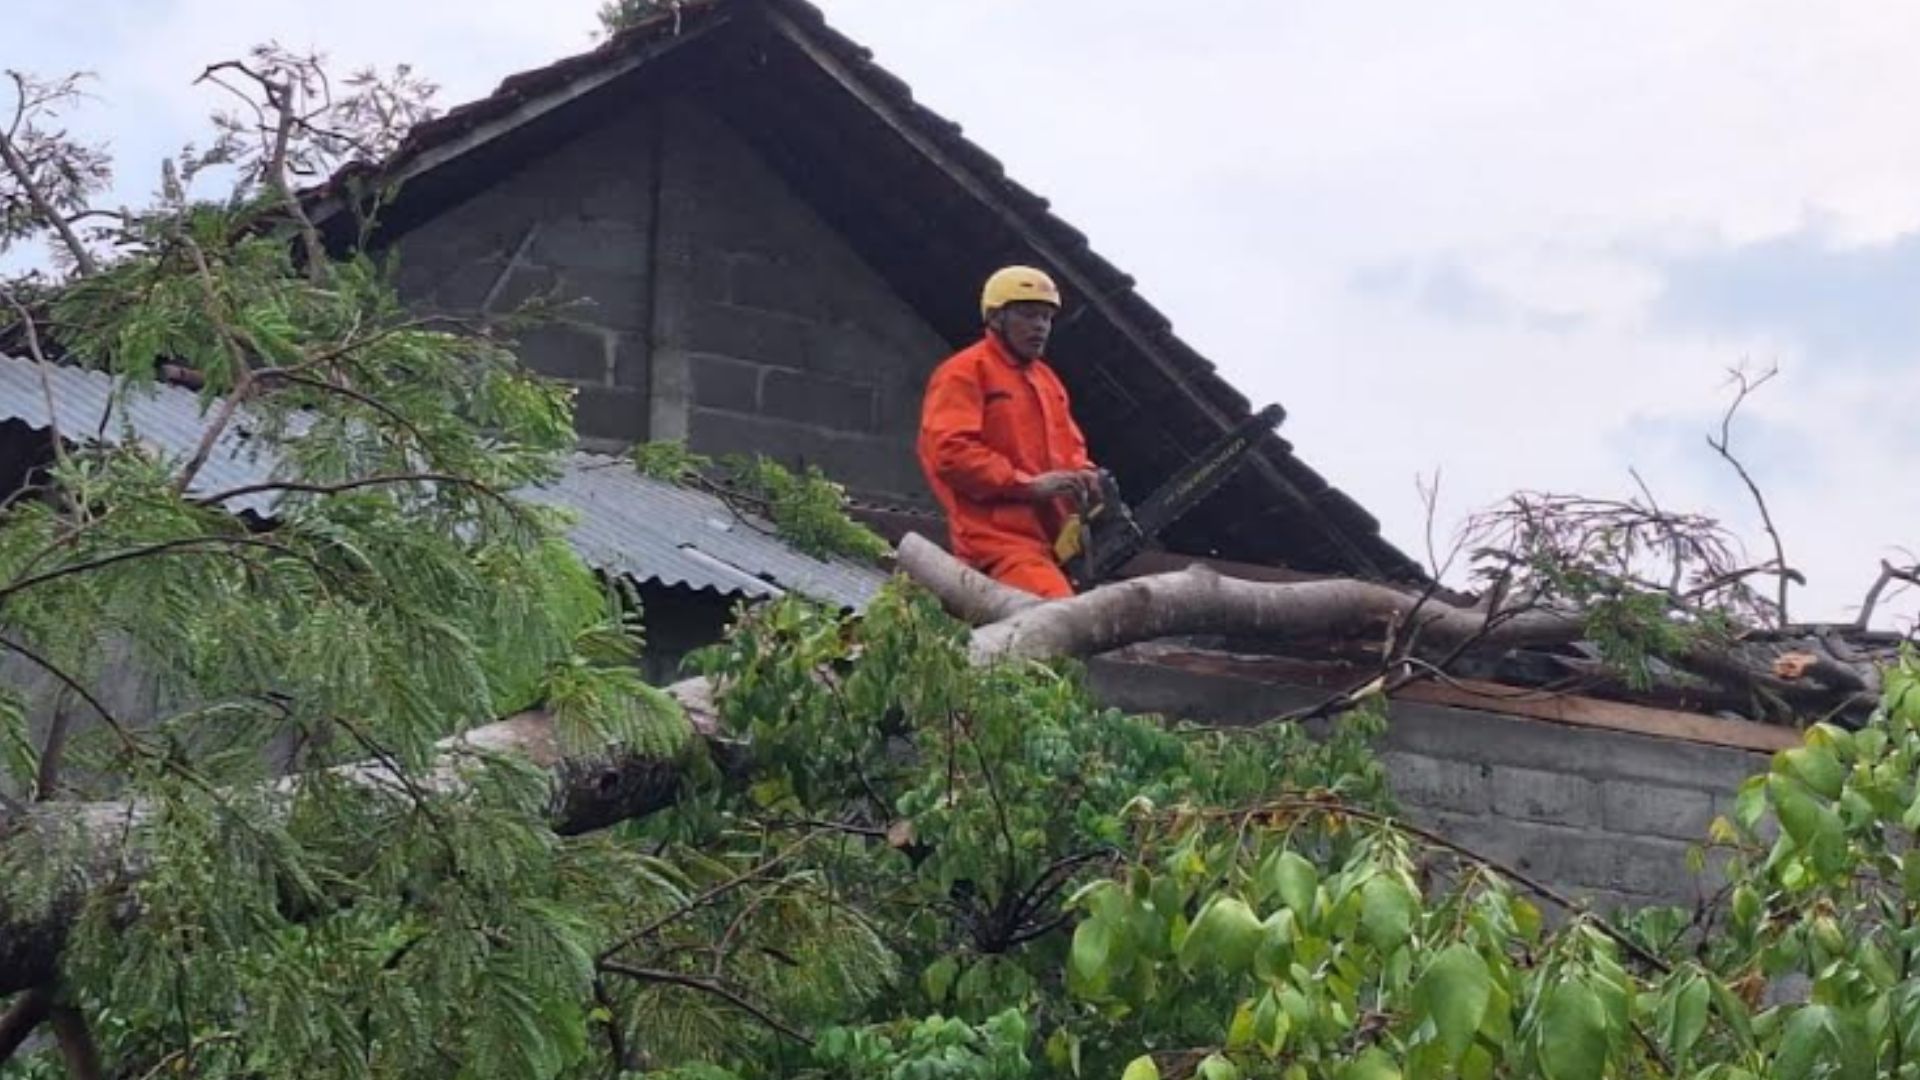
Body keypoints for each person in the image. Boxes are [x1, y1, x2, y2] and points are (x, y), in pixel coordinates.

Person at [917, 266, 1100, 599]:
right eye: (1029, 316)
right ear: (997, 318)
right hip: (999, 541)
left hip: (1054, 538)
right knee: (1058, 615)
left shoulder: (1048, 382)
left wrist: (1086, 477)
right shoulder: (964, 371)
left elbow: (1071, 448)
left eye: (1046, 318)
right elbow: (950, 453)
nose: (1040, 327)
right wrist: (1026, 486)